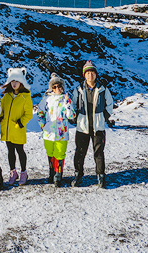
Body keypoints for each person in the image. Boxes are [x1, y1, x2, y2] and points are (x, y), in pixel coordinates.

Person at [70, 60, 114, 189]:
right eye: (88, 73)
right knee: (80, 152)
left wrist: (104, 117)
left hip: (98, 127)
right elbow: (72, 105)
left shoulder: (103, 89)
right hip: (82, 127)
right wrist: (75, 117)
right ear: (84, 75)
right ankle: (78, 174)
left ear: (96, 74)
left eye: (92, 73)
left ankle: (100, 176)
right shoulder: (78, 90)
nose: (90, 75)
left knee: (99, 153)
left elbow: (109, 104)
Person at [34, 72, 76, 187]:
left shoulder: (66, 99)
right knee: (50, 153)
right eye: (54, 86)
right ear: (51, 88)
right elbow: (40, 113)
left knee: (60, 154)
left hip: (62, 133)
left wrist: (68, 103)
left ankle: (58, 175)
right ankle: (51, 173)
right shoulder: (47, 99)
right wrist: (43, 126)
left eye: (59, 86)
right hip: (48, 133)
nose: (57, 88)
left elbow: (72, 116)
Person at [0, 67, 33, 186]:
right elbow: (1, 110)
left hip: (17, 129)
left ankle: (24, 172)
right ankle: (13, 172)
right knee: (10, 152)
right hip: (7, 129)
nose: (14, 83)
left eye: (16, 81)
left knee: (20, 151)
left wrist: (21, 123)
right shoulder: (6, 96)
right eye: (12, 81)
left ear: (21, 82)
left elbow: (29, 114)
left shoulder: (26, 96)